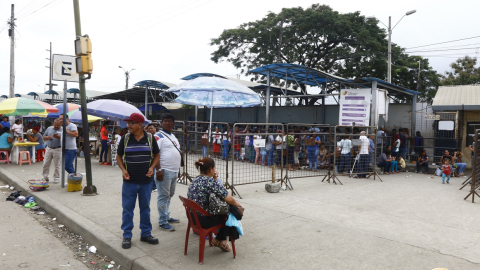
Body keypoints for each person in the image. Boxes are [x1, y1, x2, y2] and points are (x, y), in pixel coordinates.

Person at [116, 113, 160, 249]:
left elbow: (157, 154)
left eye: (131, 123)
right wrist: (123, 170)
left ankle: (145, 233)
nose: (128, 126)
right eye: (128, 123)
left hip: (146, 181)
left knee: (145, 208)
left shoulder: (151, 139)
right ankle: (127, 235)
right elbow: (119, 156)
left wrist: (152, 167)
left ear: (140, 125)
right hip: (129, 182)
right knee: (128, 209)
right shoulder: (125, 139)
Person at [187, 157, 242, 252]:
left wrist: (215, 178)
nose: (215, 170)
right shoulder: (210, 182)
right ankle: (219, 239)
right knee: (233, 212)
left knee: (227, 210)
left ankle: (221, 240)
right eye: (214, 168)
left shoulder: (195, 180)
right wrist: (238, 205)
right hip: (204, 220)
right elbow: (229, 198)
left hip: (192, 217)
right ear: (210, 169)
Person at [155, 114, 182, 231]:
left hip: (174, 171)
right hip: (164, 171)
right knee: (163, 196)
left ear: (173, 124)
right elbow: (155, 154)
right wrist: (158, 169)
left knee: (169, 195)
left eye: (170, 121)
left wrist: (178, 170)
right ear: (161, 123)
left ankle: (167, 215)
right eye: (165, 121)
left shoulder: (173, 137)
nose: (167, 123)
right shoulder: (158, 136)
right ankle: (162, 221)